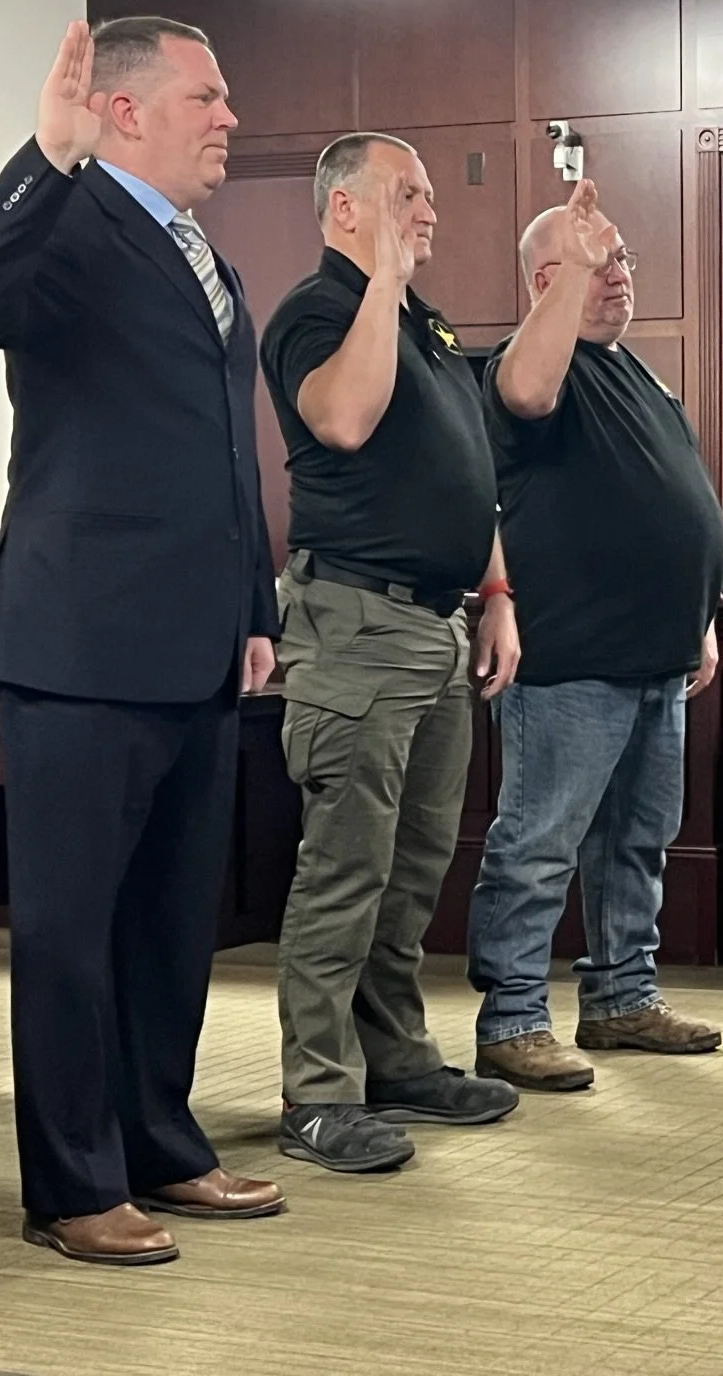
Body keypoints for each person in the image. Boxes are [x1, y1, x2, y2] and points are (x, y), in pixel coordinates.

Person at [0, 17, 283, 1265]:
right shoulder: (68, 219)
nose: (230, 114)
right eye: (209, 93)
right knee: (70, 929)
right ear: (126, 110)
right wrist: (45, 152)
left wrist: (255, 609)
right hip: (79, 639)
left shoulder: (204, 258)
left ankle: (160, 1149)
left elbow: (232, 462)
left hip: (196, 641)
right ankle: (72, 1187)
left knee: (170, 923)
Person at [261, 132, 521, 1172]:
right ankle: (316, 1096)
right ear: (343, 212)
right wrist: (381, 285)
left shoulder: (428, 326)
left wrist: (496, 593)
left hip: (438, 623)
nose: (429, 212)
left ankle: (397, 1060)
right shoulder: (317, 313)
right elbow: (347, 420)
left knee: (414, 869)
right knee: (344, 872)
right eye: (405, 195)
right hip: (355, 627)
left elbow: (471, 479)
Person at [467, 179, 723, 1092]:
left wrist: (697, 618)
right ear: (547, 279)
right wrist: (570, 282)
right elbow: (528, 397)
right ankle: (511, 1019)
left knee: (637, 841)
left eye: (621, 260)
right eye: (596, 262)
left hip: (656, 654)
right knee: (538, 843)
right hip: (572, 657)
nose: (618, 276)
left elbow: (675, 501)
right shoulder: (522, 369)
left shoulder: (634, 371)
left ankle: (621, 997)